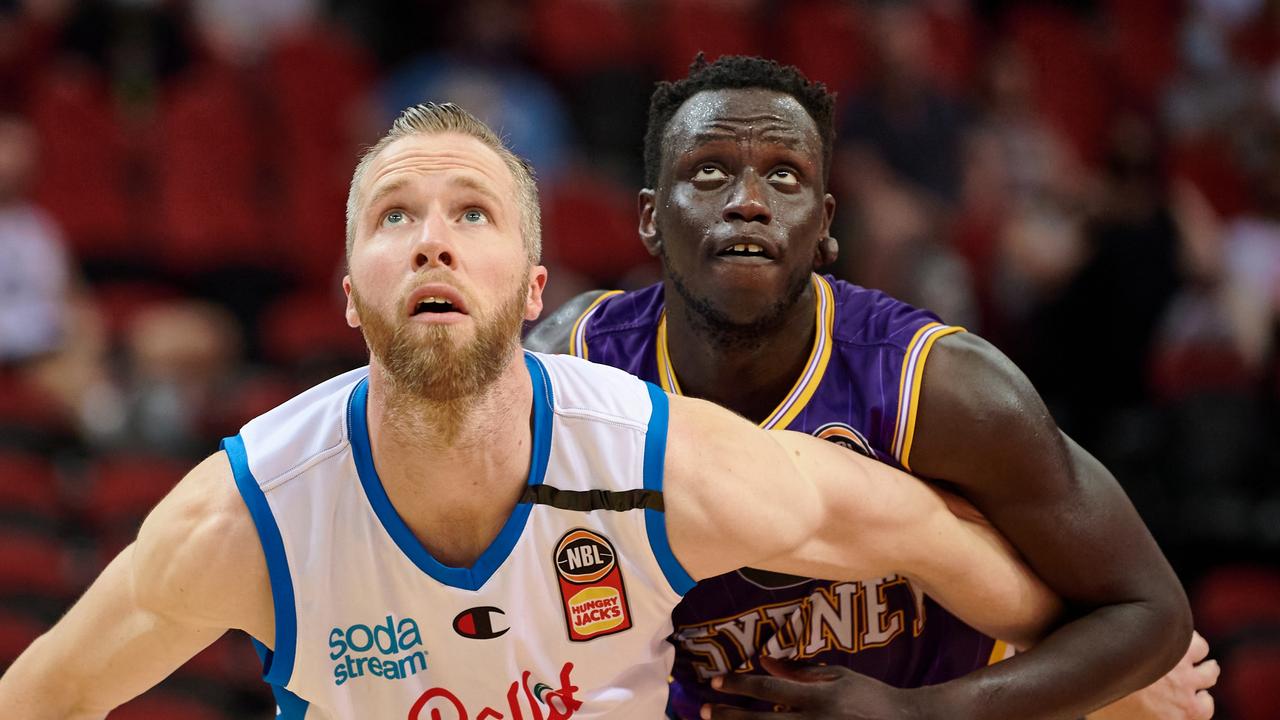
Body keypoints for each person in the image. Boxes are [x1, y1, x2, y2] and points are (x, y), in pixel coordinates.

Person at [0, 103, 1058, 720]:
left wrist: (1101, 675)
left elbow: (931, 535)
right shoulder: (248, 518)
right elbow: (45, 697)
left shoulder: (661, 461)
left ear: (534, 286)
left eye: (472, 211)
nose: (432, 238)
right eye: (394, 216)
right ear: (349, 294)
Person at [525, 55, 1217, 720]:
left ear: (826, 227)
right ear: (650, 217)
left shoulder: (939, 385)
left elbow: (1150, 611)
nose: (748, 202)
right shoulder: (570, 371)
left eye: (785, 177)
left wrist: (924, 713)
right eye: (708, 172)